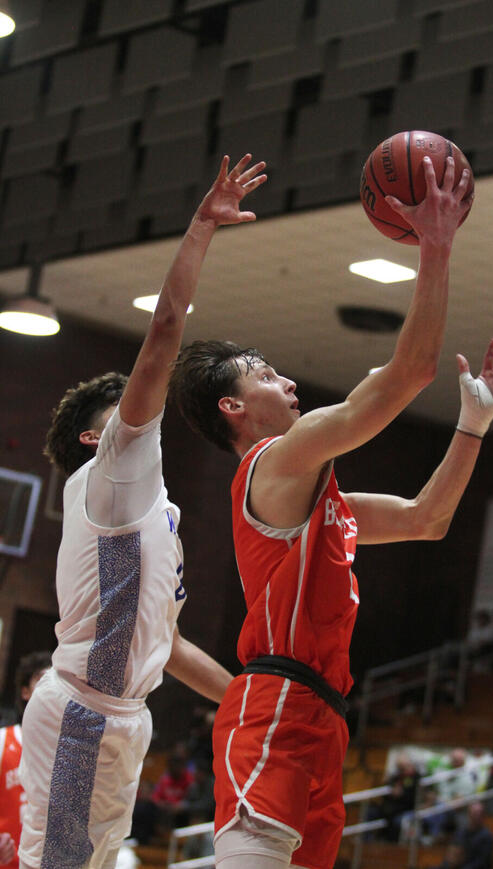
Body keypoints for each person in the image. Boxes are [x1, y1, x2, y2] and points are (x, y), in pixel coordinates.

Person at [169, 155, 493, 869]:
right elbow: (407, 374)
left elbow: (428, 518)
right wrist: (434, 247)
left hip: (325, 716)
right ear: (234, 407)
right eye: (267, 374)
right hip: (273, 704)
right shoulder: (270, 466)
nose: (289, 378)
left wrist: (472, 428)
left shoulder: (324, 504)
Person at [18, 153, 267, 869]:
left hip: (122, 714)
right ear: (99, 438)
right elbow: (164, 330)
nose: (143, 408)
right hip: (86, 710)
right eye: (125, 407)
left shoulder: (148, 509)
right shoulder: (112, 475)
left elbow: (169, 642)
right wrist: (202, 226)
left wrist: (247, 698)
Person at [0, 652, 52, 868]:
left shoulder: (73, 755)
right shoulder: (3, 740)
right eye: (43, 680)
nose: (51, 690)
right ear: (25, 691)